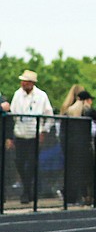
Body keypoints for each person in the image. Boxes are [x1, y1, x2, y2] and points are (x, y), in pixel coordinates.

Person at [6, 70, 54, 203]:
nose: (22, 83)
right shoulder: (17, 94)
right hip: (20, 134)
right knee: (19, 162)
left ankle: (27, 191)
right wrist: (11, 135)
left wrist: (43, 131)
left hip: (34, 135)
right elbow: (13, 114)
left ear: (31, 83)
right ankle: (27, 188)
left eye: (25, 81)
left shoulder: (41, 96)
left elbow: (49, 116)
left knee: (31, 163)